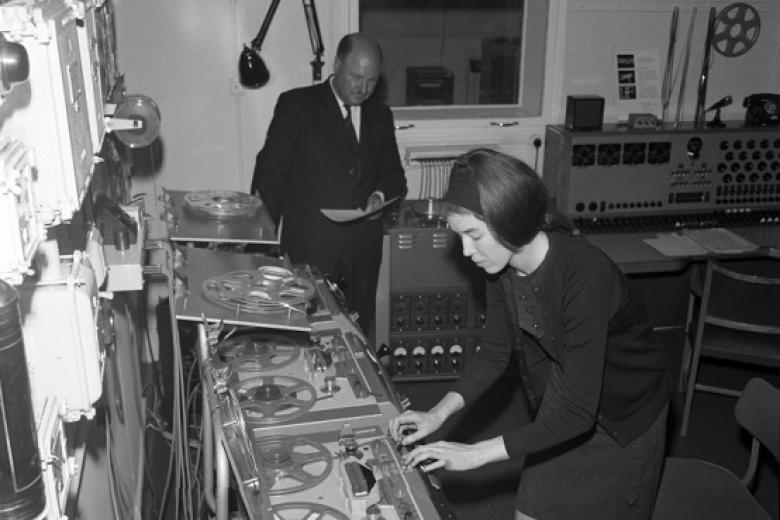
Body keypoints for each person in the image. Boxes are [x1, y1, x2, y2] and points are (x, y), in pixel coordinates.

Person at [389, 149, 672, 520]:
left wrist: (474, 454)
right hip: (564, 401)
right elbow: (493, 352)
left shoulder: (584, 273)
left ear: (509, 221)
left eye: (474, 235)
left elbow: (578, 414)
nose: (467, 251)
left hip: (624, 418)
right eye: (460, 237)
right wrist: (437, 415)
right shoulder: (500, 267)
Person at [250, 32, 407, 333]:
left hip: (362, 254)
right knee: (307, 335)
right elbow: (271, 176)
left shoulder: (381, 115)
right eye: (356, 77)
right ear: (336, 64)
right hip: (311, 250)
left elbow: (394, 176)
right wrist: (260, 246)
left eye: (372, 81)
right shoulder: (296, 106)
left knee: (356, 336)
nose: (362, 88)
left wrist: (380, 194)